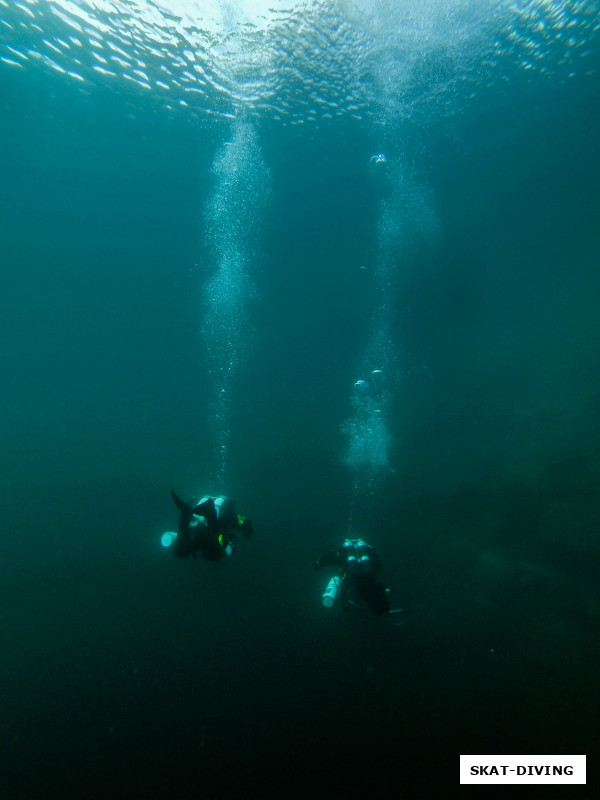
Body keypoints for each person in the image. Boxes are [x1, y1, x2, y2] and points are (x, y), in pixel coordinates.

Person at [315, 537, 400, 616]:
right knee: (372, 590)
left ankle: (349, 603)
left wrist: (318, 563)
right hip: (369, 577)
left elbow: (328, 559)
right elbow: (378, 565)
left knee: (352, 590)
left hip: (352, 578)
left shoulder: (342, 552)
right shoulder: (368, 549)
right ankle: (384, 601)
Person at [167, 491, 253, 561]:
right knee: (215, 555)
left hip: (195, 530)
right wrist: (239, 536)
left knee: (181, 551)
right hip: (208, 536)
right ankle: (211, 516)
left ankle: (185, 515)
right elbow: (245, 524)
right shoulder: (229, 513)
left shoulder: (199, 504)